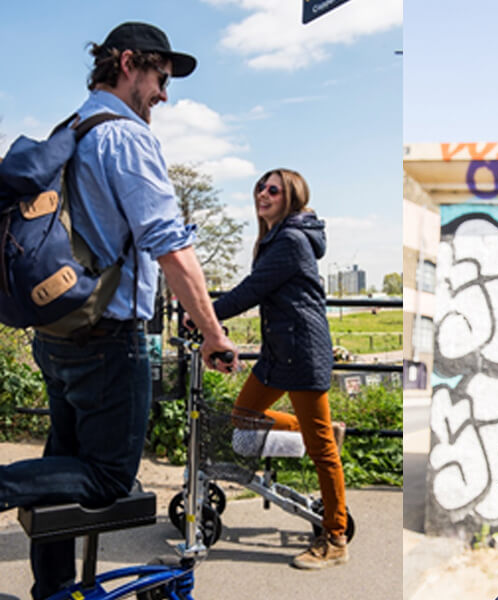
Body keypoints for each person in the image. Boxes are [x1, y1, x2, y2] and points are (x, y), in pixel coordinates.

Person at [0, 22, 237, 599]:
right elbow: (170, 247)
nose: (164, 94)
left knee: (61, 464)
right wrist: (212, 332)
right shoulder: (127, 138)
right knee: (108, 478)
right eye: (160, 78)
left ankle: (52, 589)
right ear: (128, 63)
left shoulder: (73, 129)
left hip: (57, 332)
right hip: (108, 339)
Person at [206, 168, 347, 570]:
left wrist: (205, 316)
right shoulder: (273, 239)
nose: (263, 194)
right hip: (278, 353)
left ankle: (335, 538)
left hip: (301, 352)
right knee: (243, 416)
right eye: (260, 188)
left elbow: (251, 291)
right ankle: (322, 431)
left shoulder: (289, 240)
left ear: (291, 198)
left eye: (274, 189)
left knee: (322, 454)